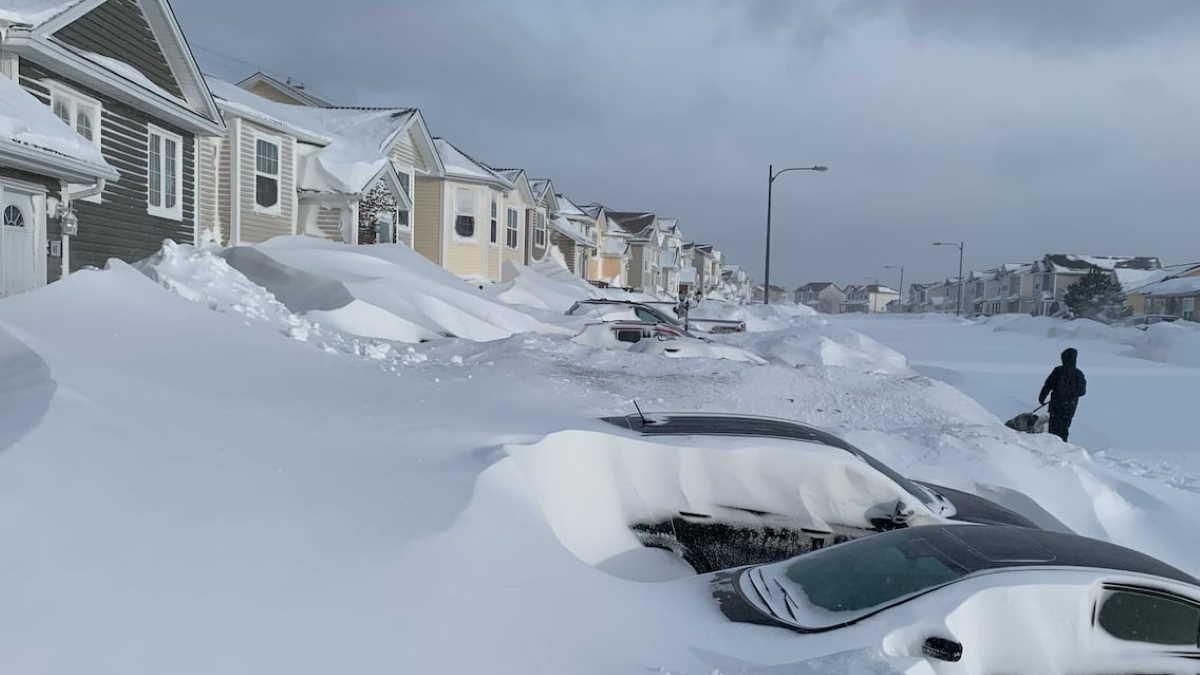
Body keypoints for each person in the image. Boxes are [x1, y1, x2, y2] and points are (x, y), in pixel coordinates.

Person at [1039, 347, 1087, 442]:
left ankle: (1052, 449)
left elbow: (1048, 385)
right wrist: (1071, 394)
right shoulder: (1078, 374)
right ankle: (1062, 449)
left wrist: (1042, 398)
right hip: (1069, 408)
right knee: (1064, 430)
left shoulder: (1058, 371)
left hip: (1056, 406)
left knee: (1053, 431)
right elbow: (1082, 391)